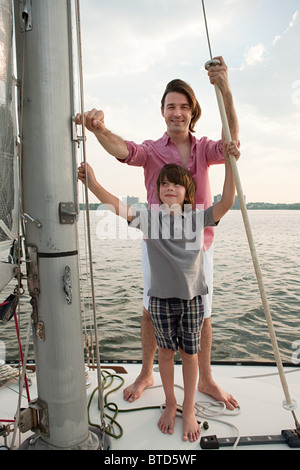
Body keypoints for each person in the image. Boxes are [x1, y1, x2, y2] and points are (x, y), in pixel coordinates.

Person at [75, 56, 239, 410]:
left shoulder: (205, 147)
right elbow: (125, 151)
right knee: (150, 311)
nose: (177, 113)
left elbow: (231, 144)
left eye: (183, 107)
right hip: (157, 244)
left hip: (200, 246)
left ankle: (207, 379)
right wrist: (100, 130)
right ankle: (147, 372)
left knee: (203, 316)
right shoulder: (151, 149)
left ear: (193, 112)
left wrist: (224, 89)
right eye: (170, 107)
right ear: (162, 111)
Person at [78, 145, 239, 441]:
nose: (169, 187)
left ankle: (188, 408)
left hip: (192, 301)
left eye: (176, 183)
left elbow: (227, 201)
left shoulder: (196, 218)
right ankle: (171, 401)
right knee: (165, 353)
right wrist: (92, 183)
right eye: (164, 183)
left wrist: (230, 163)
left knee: (189, 356)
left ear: (187, 192)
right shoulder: (149, 220)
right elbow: (116, 206)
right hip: (161, 302)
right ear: (158, 191)